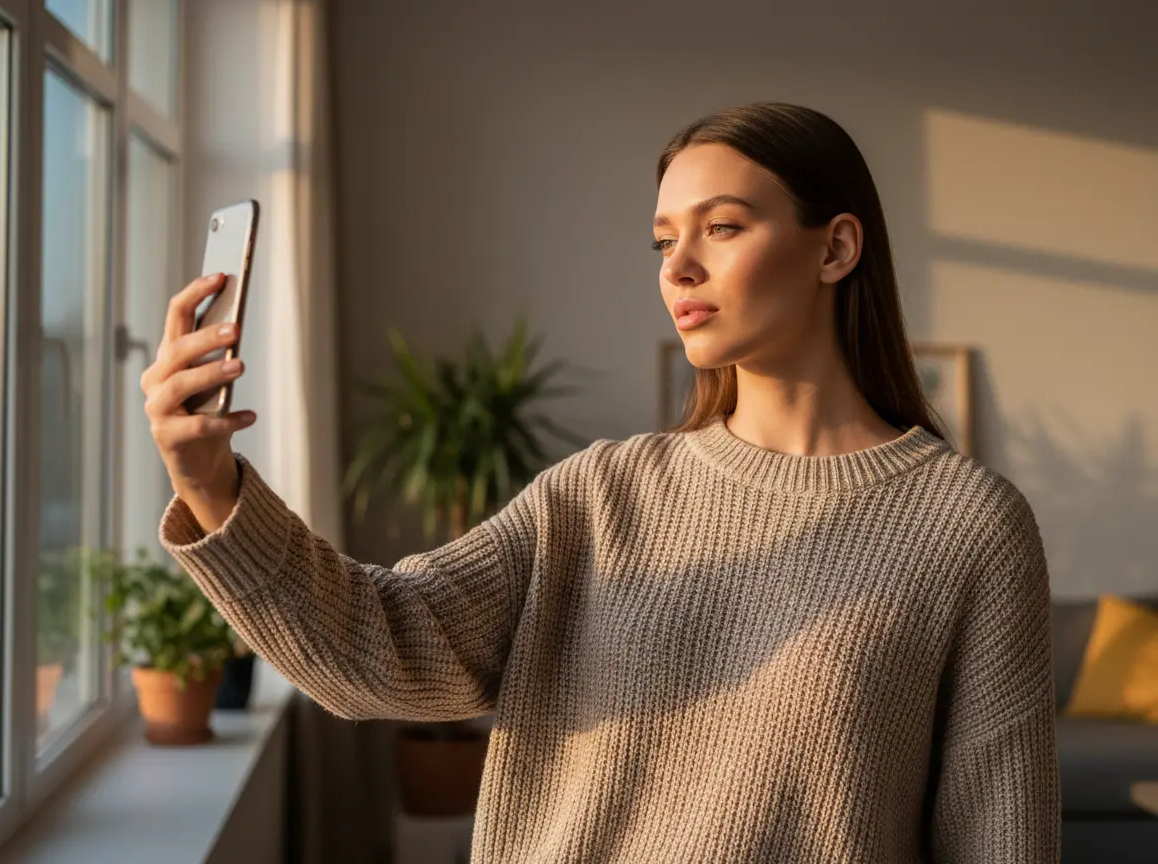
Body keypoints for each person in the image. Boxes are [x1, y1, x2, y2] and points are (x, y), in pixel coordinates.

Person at [141, 102, 1060, 862]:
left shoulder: (967, 527)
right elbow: (380, 651)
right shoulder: (598, 496)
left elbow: (1000, 837)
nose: (679, 267)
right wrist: (214, 485)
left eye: (723, 227)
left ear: (835, 249)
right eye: (663, 240)